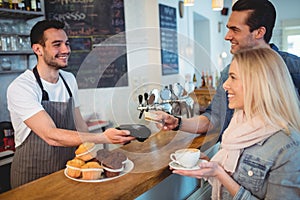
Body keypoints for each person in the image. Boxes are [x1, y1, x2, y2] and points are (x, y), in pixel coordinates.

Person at [6, 20, 135, 188]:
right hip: (32, 176)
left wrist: (95, 158)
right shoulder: (22, 87)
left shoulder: (69, 80)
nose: (66, 50)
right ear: (38, 49)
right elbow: (50, 135)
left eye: (66, 44)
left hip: (69, 170)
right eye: (57, 45)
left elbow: (79, 125)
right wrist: (103, 137)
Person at [156, 0, 300, 139]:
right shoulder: (228, 74)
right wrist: (177, 122)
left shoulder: (295, 68)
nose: (227, 36)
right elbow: (215, 118)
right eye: (228, 29)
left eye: (235, 30)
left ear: (259, 32)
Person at [171, 48, 300, 199]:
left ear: (258, 83)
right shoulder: (238, 124)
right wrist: (209, 165)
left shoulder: (288, 146)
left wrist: (220, 174)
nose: (225, 85)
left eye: (233, 77)